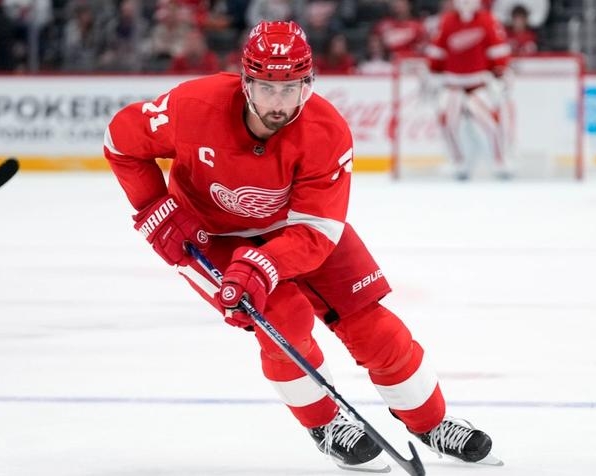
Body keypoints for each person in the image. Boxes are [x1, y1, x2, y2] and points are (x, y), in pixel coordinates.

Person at [102, 20, 496, 471]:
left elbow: (317, 233)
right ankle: (327, 425)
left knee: (375, 329)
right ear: (246, 80)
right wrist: (155, 206)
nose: (278, 103)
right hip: (210, 238)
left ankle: (432, 423)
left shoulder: (327, 132)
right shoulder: (193, 105)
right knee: (284, 322)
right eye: (267, 88)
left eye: (290, 88)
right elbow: (121, 140)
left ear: (308, 83)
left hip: (298, 232)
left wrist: (265, 263)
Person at [424, 0, 513, 180]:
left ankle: (500, 159)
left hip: (479, 85)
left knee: (491, 123)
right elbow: (436, 55)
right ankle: (458, 161)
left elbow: (499, 53)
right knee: (448, 121)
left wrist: (500, 74)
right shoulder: (447, 22)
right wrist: (434, 74)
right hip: (453, 86)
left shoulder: (487, 20)